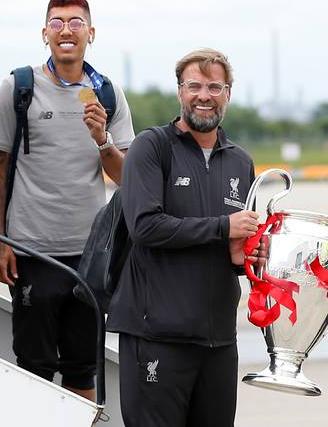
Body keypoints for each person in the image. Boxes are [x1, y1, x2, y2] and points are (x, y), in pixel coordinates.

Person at [0, 0, 134, 401]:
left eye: (75, 22)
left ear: (91, 33)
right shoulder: (18, 87)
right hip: (31, 253)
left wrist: (102, 138)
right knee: (32, 371)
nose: (66, 30)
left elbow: (124, 177)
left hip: (90, 258)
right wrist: (0, 244)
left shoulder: (107, 94)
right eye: (57, 22)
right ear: (44, 33)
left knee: (83, 372)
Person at [106, 48, 259, 427]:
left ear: (228, 94)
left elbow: (231, 249)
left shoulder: (241, 161)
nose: (203, 95)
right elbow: (145, 227)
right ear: (179, 92)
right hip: (158, 336)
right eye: (194, 85)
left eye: (214, 86)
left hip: (219, 341)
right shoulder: (151, 146)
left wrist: (246, 256)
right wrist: (224, 227)